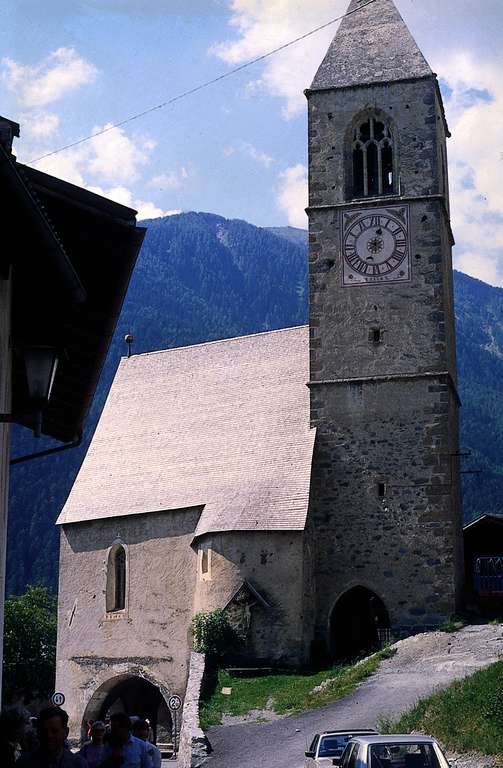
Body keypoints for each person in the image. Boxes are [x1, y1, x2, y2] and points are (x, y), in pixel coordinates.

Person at [16, 706, 88, 768]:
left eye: (54, 731)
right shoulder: (24, 763)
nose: (49, 735)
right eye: (44, 731)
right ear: (38, 732)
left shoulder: (79, 764)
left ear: (66, 732)